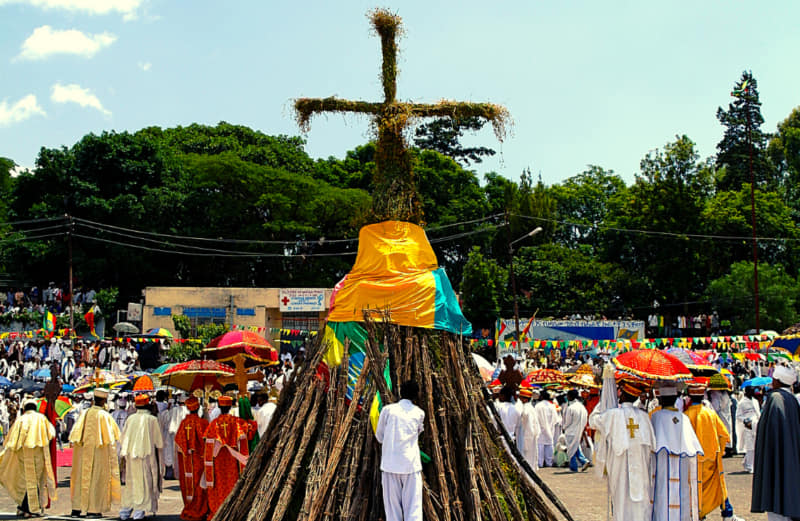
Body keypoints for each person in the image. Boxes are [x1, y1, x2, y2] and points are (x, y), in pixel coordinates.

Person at [589, 379, 656, 521]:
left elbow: (593, 420)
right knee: (640, 507)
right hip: (642, 471)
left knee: (621, 505)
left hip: (620, 471)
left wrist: (605, 399)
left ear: (622, 394)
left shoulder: (612, 415)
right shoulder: (644, 417)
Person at [683, 379, 741, 521]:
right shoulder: (710, 413)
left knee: (696, 490)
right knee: (719, 486)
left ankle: (700, 514)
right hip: (712, 459)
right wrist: (719, 452)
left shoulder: (686, 415)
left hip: (694, 460)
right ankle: (727, 513)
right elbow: (723, 434)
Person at [751, 364, 800, 521]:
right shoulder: (791, 399)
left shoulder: (774, 398)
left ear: (778, 381)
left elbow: (766, 429)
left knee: (776, 505)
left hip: (776, 458)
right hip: (790, 456)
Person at [650, 382, 703, 521]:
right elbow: (691, 447)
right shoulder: (683, 417)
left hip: (662, 464)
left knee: (662, 496)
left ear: (660, 399)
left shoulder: (656, 417)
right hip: (681, 464)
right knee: (681, 497)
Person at [375, 380, 425, 521]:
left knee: (392, 510)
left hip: (390, 465)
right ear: (416, 395)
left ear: (400, 392)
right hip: (411, 465)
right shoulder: (419, 413)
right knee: (413, 509)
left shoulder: (388, 410)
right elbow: (419, 431)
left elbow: (380, 436)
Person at [69, 387, 122, 518]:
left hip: (83, 451)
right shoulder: (104, 415)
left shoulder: (85, 413)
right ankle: (93, 509)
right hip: (99, 452)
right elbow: (113, 435)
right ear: (104, 400)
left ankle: (77, 508)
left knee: (81, 478)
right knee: (97, 480)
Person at [0, 397, 57, 518]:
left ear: (25, 408)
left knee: (24, 481)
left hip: (23, 454)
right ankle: (29, 509)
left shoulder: (21, 419)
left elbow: (11, 440)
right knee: (34, 481)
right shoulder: (41, 419)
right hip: (38, 454)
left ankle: (22, 507)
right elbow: (51, 433)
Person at [203, 395, 256, 517]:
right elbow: (243, 438)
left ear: (220, 406)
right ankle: (232, 510)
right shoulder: (237, 422)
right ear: (230, 406)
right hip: (233, 461)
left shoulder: (214, 424)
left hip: (219, 461)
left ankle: (219, 509)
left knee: (219, 485)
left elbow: (208, 446)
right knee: (232, 484)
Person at [119, 394, 164, 521]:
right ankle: (139, 511)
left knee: (131, 483)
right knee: (144, 483)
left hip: (130, 456)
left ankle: (125, 511)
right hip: (146, 457)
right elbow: (159, 442)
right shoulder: (152, 420)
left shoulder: (130, 419)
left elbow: (123, 438)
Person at [175, 396, 209, 521]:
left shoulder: (184, 423)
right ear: (198, 407)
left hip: (186, 460)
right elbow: (207, 441)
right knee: (199, 485)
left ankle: (189, 507)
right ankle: (200, 508)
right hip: (199, 459)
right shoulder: (203, 422)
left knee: (189, 485)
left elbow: (179, 443)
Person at [563, 389, 590, 471]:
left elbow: (568, 421)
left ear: (570, 396)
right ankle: (583, 461)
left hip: (571, 431)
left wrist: (564, 428)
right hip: (579, 430)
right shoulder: (582, 407)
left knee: (571, 449)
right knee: (575, 447)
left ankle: (574, 466)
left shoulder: (571, 408)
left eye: (567, 395)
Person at [735, 386, 760, 473]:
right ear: (746, 392)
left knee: (755, 445)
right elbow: (738, 416)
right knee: (750, 446)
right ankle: (750, 466)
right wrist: (746, 421)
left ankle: (746, 462)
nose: (753, 392)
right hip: (747, 426)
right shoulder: (741, 403)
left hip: (755, 425)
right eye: (751, 391)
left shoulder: (755, 401)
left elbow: (758, 413)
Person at [515, 386, 540, 470]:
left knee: (527, 459)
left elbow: (528, 426)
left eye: (521, 398)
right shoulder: (530, 408)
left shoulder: (526, 409)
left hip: (527, 438)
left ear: (525, 399)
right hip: (530, 437)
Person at [534, 390, 560, 467]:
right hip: (550, 429)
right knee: (549, 446)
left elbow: (536, 418)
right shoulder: (552, 406)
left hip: (541, 430)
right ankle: (549, 463)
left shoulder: (538, 406)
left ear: (541, 397)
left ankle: (540, 463)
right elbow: (555, 419)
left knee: (540, 447)